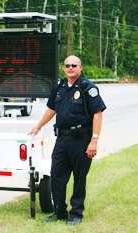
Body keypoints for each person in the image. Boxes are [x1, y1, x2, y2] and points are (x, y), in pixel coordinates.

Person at [28, 55, 106, 225]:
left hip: (82, 140)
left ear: (80, 67)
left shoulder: (88, 88)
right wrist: (38, 126)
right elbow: (51, 109)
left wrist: (94, 140)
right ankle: (59, 212)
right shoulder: (60, 87)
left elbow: (97, 114)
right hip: (62, 140)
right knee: (56, 176)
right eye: (67, 65)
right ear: (64, 68)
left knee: (79, 179)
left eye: (74, 65)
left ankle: (76, 214)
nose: (70, 68)